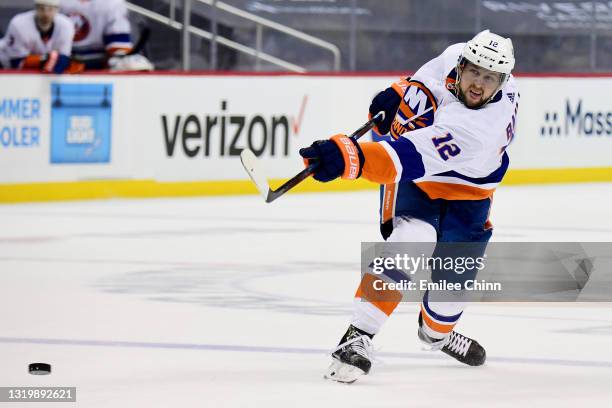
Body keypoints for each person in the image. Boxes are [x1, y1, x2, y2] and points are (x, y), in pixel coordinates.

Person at [299, 30, 519, 383]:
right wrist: (398, 94)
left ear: (503, 82)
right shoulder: (454, 55)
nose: (479, 84)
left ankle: (437, 334)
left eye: (489, 78)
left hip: (469, 199)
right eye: (474, 72)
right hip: (420, 186)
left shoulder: (481, 128)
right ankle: (357, 337)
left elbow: (402, 156)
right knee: (410, 242)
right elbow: (426, 82)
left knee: (446, 306)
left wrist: (345, 157)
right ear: (462, 64)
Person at [59, 0, 152, 71]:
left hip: (99, 64)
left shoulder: (112, 3)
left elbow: (118, 49)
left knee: (127, 65)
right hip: (58, 62)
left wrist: (119, 60)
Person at [1, 0, 75, 74]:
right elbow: (16, 62)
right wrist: (45, 59)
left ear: (57, 10)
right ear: (36, 8)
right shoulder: (19, 23)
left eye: (50, 9)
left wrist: (49, 62)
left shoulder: (66, 25)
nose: (46, 14)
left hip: (40, 65)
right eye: (42, 8)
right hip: (5, 62)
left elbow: (64, 58)